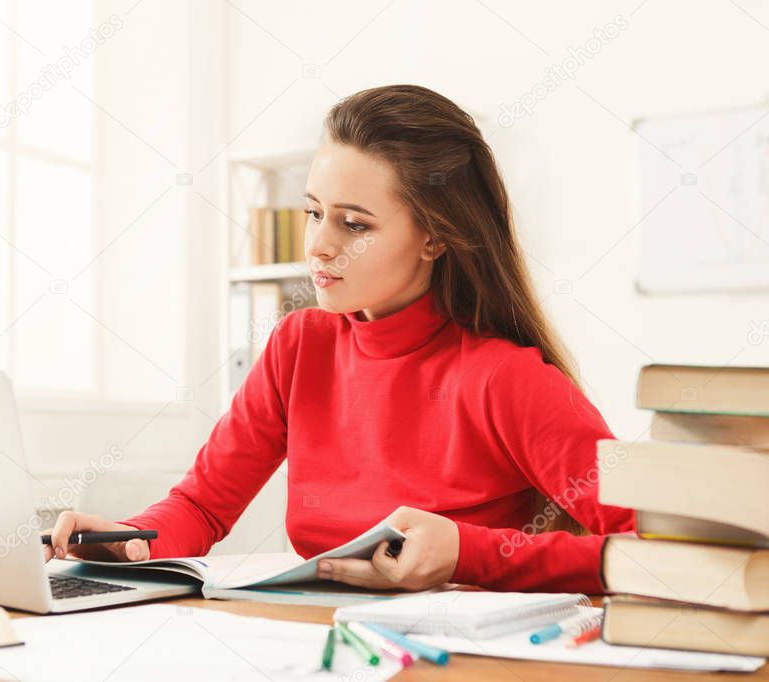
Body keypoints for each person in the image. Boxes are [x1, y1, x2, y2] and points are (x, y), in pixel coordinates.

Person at [43, 84, 635, 593]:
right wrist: (132, 539)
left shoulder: (508, 378)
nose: (320, 245)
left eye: (354, 223)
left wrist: (469, 551)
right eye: (312, 212)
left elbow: (659, 549)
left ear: (434, 237)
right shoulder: (298, 346)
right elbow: (202, 505)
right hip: (312, 639)